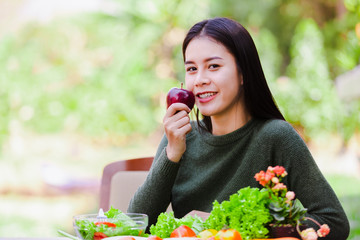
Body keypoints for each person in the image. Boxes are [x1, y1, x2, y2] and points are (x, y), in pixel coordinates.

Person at [128, 17, 349, 239]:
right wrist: (172, 154)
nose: (200, 79)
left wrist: (270, 232)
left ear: (243, 73)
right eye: (192, 68)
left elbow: (333, 221)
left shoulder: (275, 136)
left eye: (213, 66)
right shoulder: (178, 139)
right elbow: (136, 224)